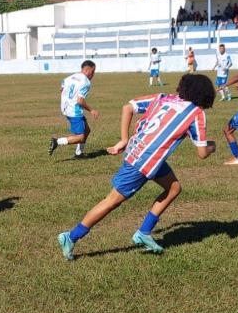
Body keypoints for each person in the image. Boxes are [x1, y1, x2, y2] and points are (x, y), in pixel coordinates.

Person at [56, 74, 216, 260]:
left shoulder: (163, 97)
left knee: (173, 187)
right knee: (112, 201)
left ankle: (144, 232)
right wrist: (213, 146)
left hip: (138, 150)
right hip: (144, 161)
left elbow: (128, 107)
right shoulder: (196, 113)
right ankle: (71, 236)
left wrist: (124, 139)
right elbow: (202, 153)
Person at [49, 60, 99, 159]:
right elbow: (80, 101)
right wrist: (91, 110)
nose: (93, 74)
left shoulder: (70, 77)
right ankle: (57, 142)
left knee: (87, 130)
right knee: (81, 137)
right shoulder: (86, 82)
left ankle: (79, 154)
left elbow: (62, 88)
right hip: (74, 111)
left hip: (66, 107)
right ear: (87, 70)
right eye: (93, 71)